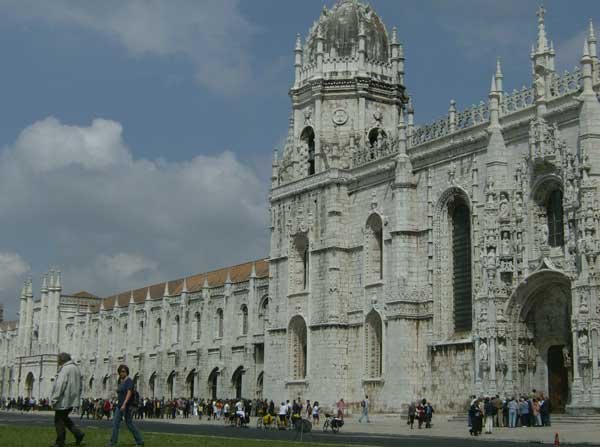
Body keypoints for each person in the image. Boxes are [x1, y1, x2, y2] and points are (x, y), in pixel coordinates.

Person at [50, 352, 85, 447]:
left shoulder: (65, 369)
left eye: (58, 360)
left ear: (62, 360)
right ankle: (78, 434)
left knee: (58, 421)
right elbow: (80, 385)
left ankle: (60, 442)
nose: (57, 362)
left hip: (63, 400)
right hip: (72, 399)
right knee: (64, 419)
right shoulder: (76, 368)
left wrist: (54, 398)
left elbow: (60, 384)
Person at [108, 364, 144, 447]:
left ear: (127, 372)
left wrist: (124, 404)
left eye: (123, 371)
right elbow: (121, 393)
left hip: (127, 406)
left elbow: (129, 392)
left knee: (129, 424)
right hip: (119, 406)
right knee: (115, 424)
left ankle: (140, 441)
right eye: (120, 372)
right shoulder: (121, 382)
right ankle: (112, 443)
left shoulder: (129, 381)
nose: (121, 373)